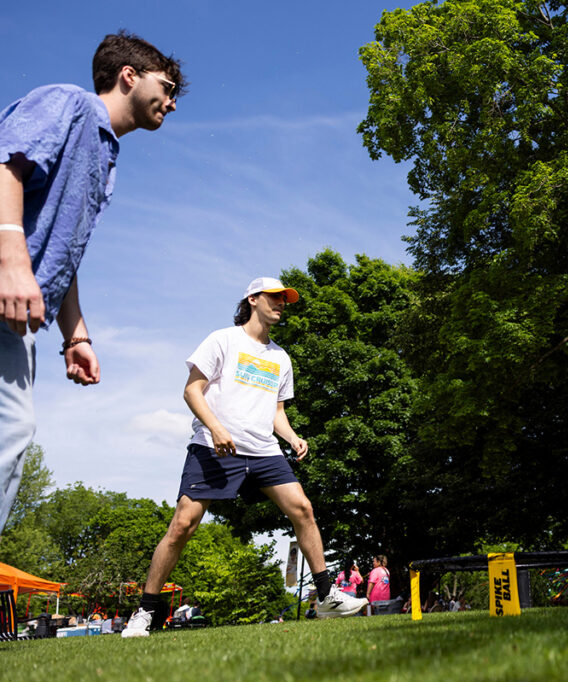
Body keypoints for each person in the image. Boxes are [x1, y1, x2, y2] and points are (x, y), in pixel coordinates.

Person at [0, 31, 186, 534]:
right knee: (9, 432)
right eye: (166, 87)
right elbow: (5, 165)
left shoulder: (105, 155)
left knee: (12, 439)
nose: (171, 102)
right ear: (129, 75)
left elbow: (65, 251)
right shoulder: (69, 104)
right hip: (5, 288)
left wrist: (75, 336)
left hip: (20, 318)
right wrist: (12, 261)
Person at [121, 278, 368, 638]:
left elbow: (275, 411)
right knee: (183, 526)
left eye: (285, 300)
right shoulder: (223, 340)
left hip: (264, 450)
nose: (281, 304)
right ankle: (143, 612)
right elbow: (192, 391)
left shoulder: (281, 357)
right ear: (252, 299)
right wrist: (217, 428)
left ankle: (327, 597)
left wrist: (293, 437)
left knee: (303, 509)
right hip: (214, 445)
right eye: (274, 298)